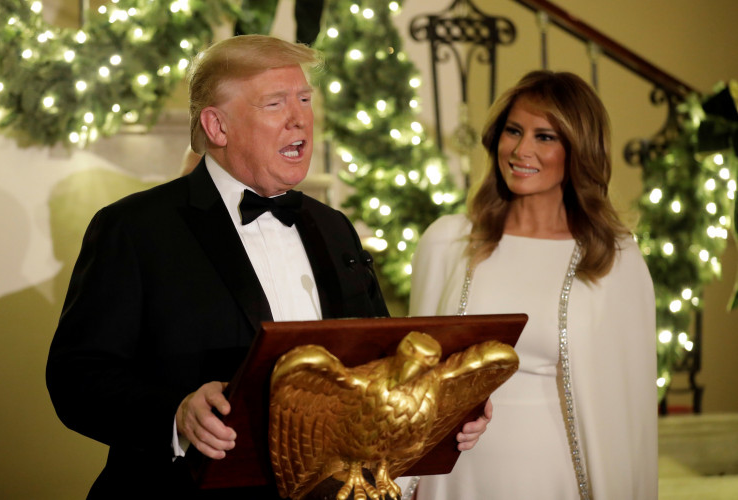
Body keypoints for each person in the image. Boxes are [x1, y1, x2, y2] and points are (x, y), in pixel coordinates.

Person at [46, 35, 489, 499]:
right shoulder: (135, 228)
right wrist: (176, 414)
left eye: (303, 99)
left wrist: (444, 404)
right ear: (217, 127)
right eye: (275, 104)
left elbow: (377, 358)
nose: (300, 118)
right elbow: (78, 378)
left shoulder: (334, 227)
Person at [407, 70, 657, 499]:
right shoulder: (447, 241)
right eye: (514, 131)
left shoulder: (613, 259)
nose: (522, 150)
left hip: (553, 477)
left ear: (578, 149)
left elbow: (630, 416)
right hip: (453, 478)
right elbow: (415, 382)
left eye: (545, 137)